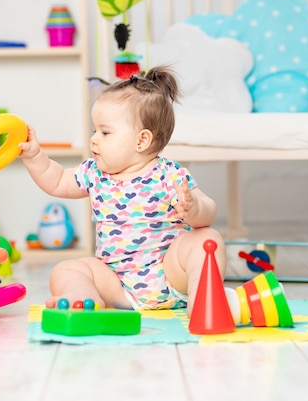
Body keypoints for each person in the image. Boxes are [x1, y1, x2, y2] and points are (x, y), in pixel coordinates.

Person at [18, 66, 225, 317]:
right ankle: (83, 299)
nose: (94, 139)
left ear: (141, 140)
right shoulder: (94, 173)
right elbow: (58, 180)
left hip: (171, 276)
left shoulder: (168, 174)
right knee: (66, 269)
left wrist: (194, 208)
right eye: (95, 130)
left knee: (207, 239)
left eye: (105, 132)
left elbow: (208, 211)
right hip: (117, 285)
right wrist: (34, 156)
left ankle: (204, 302)